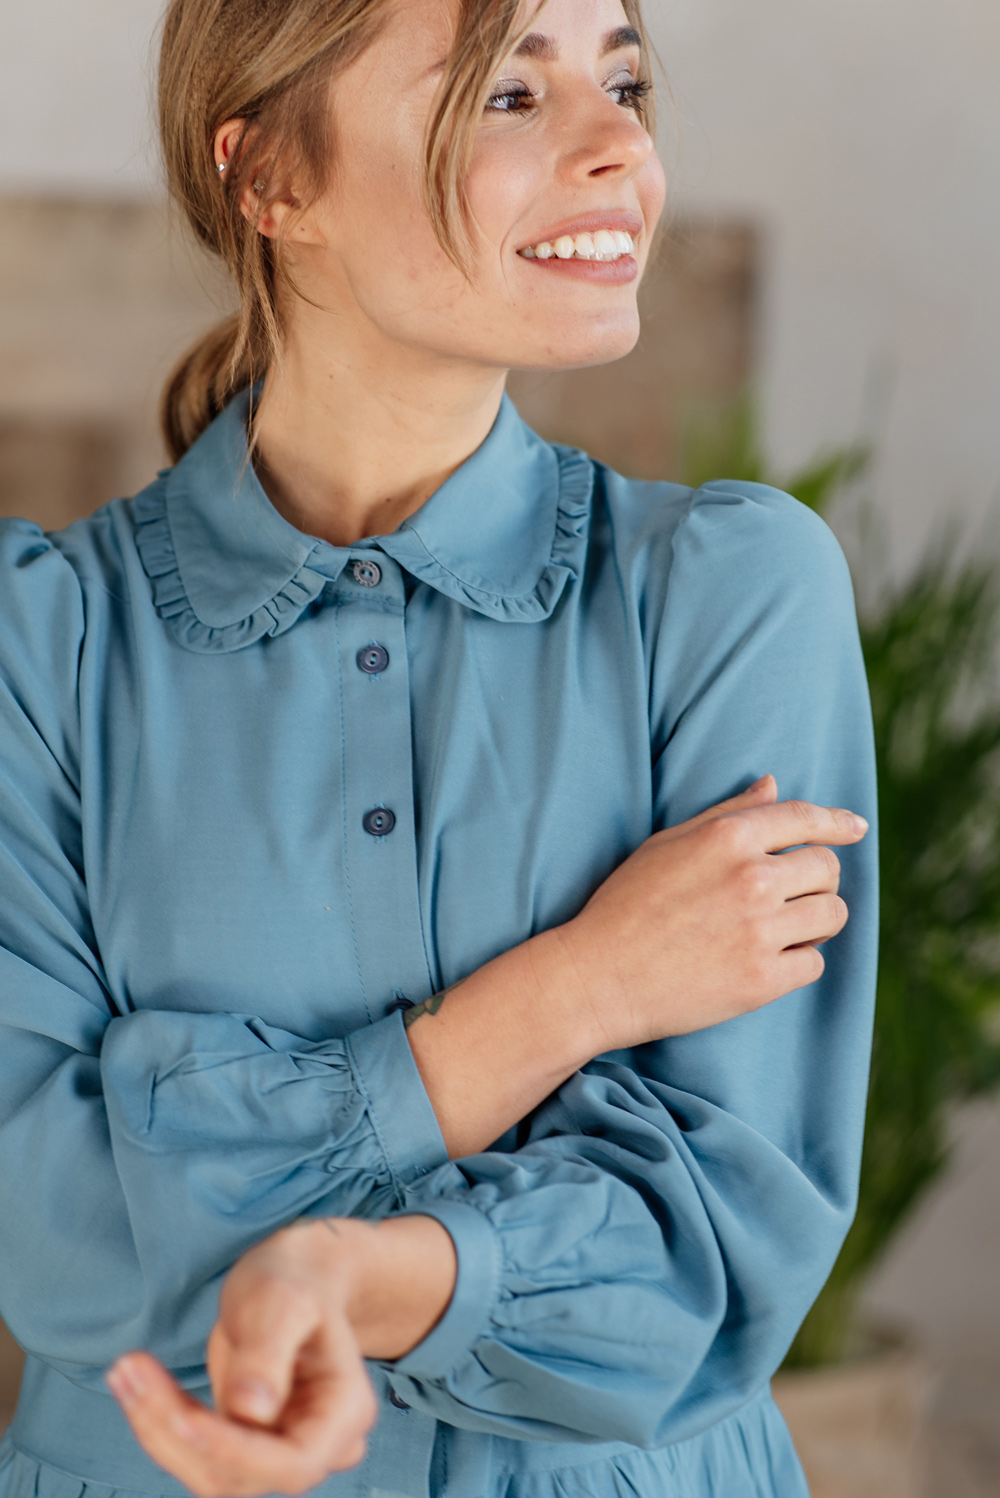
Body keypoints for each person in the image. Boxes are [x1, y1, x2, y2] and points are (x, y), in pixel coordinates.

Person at [0, 0, 877, 1495]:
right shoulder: (40, 646)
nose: (620, 150)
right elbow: (54, 1225)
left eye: (624, 79)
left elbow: (705, 1257)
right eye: (507, 97)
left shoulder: (735, 594)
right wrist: (580, 988)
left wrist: (321, 1260)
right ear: (271, 180)